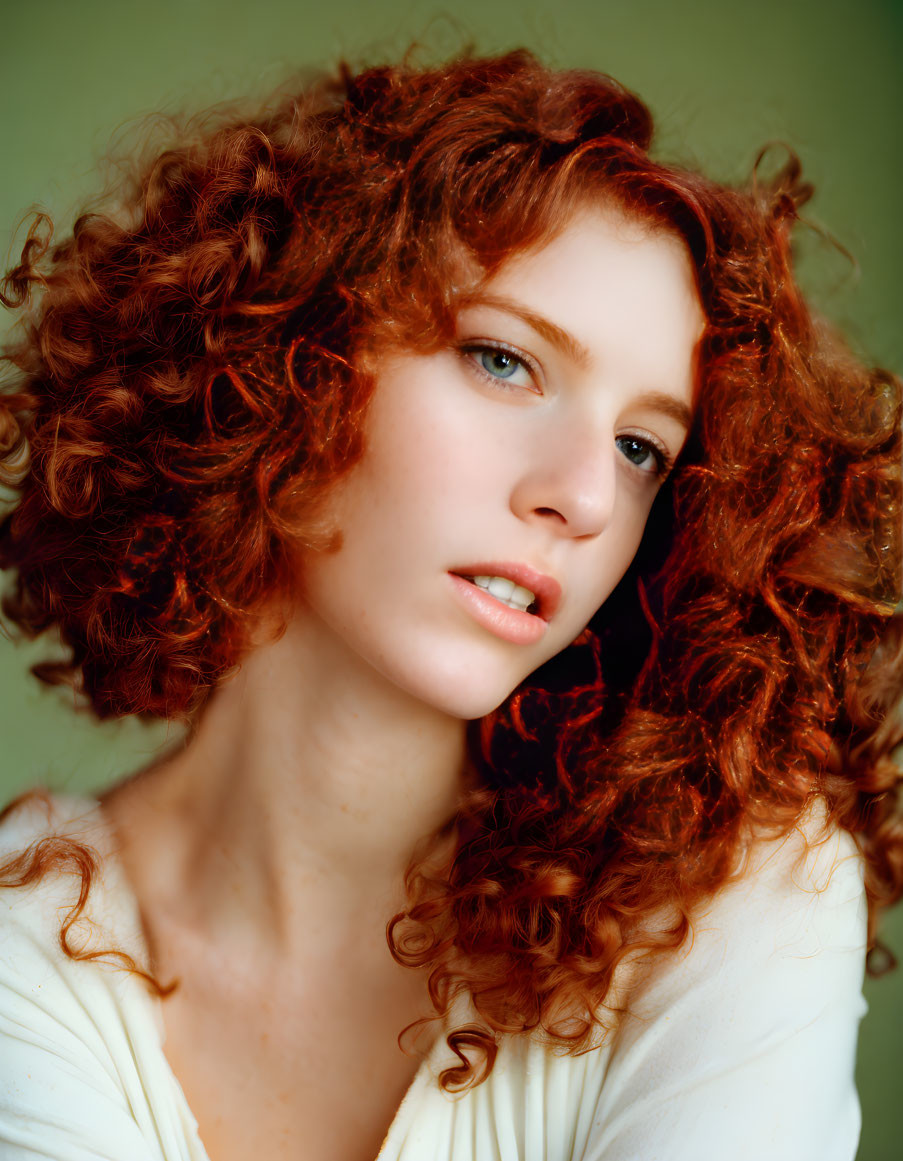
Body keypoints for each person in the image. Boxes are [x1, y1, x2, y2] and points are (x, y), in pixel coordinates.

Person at [0, 49, 900, 1161]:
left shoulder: (731, 889)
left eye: (640, 448)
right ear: (285, 354)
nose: (579, 496)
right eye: (503, 361)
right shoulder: (24, 952)